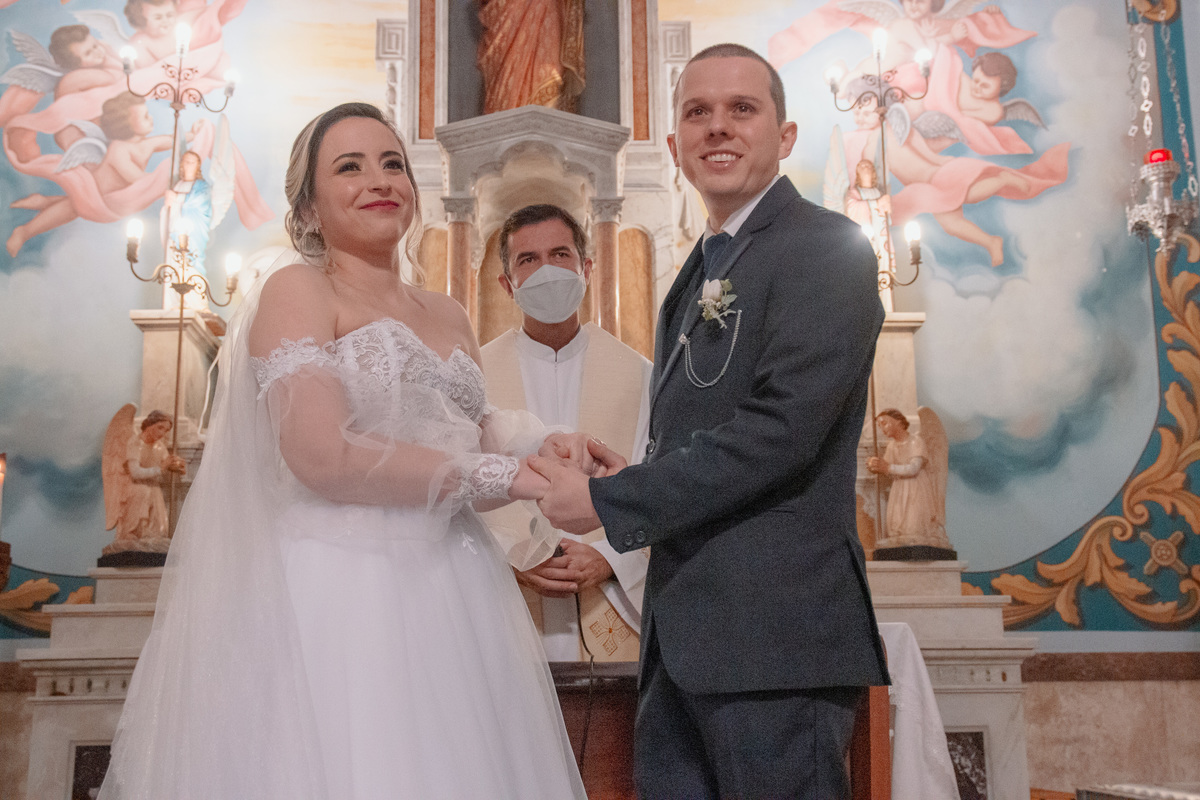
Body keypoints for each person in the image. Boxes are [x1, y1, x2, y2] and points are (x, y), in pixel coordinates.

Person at [98, 102, 586, 800]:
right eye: (349, 167)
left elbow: (465, 442)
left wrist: (544, 447)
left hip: (456, 581)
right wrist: (507, 474)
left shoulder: (447, 311)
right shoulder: (297, 290)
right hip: (345, 581)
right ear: (309, 206)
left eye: (393, 164)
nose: (379, 180)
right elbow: (321, 455)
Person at [532, 44, 890, 798]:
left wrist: (608, 501)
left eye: (741, 109)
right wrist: (636, 473)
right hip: (683, 637)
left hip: (775, 640)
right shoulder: (701, 268)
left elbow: (781, 433)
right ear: (674, 145)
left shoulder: (825, 249)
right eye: (698, 112)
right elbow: (704, 427)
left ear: (785, 136)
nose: (717, 127)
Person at [480, 203, 650, 663]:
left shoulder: (641, 376)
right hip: (502, 605)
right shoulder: (477, 375)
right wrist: (511, 556)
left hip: (612, 603)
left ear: (586, 269)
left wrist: (610, 557)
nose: (547, 271)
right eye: (528, 259)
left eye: (560, 255)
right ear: (507, 284)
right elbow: (453, 489)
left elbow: (659, 484)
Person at [101, 409, 186, 556]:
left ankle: (151, 537)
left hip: (153, 487)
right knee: (143, 491)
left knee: (159, 531)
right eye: (160, 427)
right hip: (135, 487)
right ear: (149, 424)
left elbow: (165, 464)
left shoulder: (159, 446)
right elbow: (135, 472)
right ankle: (131, 532)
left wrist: (176, 466)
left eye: (166, 430)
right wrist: (161, 468)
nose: (162, 433)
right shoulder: (135, 443)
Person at [867, 408, 951, 549]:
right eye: (880, 426)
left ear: (898, 422)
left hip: (916, 488)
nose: (882, 429)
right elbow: (888, 469)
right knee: (896, 526)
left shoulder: (915, 441)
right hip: (899, 489)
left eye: (885, 423)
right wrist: (875, 466)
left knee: (914, 526)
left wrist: (887, 467)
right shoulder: (892, 446)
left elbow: (913, 469)